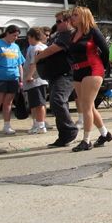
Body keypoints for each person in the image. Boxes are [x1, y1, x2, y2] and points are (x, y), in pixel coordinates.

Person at [66, 6, 111, 151]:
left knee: (86, 106)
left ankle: (86, 140)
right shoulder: (72, 35)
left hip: (93, 69)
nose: (72, 17)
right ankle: (105, 133)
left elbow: (105, 50)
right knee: (88, 106)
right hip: (77, 71)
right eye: (72, 15)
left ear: (84, 16)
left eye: (75, 15)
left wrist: (103, 68)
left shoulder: (93, 31)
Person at [36, 10, 78, 147]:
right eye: (56, 22)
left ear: (67, 21)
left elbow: (53, 49)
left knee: (57, 100)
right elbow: (48, 48)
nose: (57, 24)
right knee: (57, 103)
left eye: (59, 21)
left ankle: (70, 130)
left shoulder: (69, 35)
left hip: (66, 74)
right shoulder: (58, 35)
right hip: (55, 75)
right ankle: (64, 136)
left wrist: (39, 56)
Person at [0, 25, 25, 136]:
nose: (15, 38)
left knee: (8, 103)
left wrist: (21, 80)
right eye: (14, 35)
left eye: (17, 36)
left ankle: (7, 125)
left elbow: (20, 64)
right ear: (7, 33)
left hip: (13, 77)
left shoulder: (16, 47)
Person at [23, 28, 49, 134]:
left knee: (39, 104)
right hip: (39, 80)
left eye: (29, 38)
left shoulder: (35, 48)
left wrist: (29, 76)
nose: (28, 40)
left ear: (33, 37)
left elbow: (33, 63)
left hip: (36, 80)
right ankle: (36, 124)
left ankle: (41, 125)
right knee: (34, 104)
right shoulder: (44, 47)